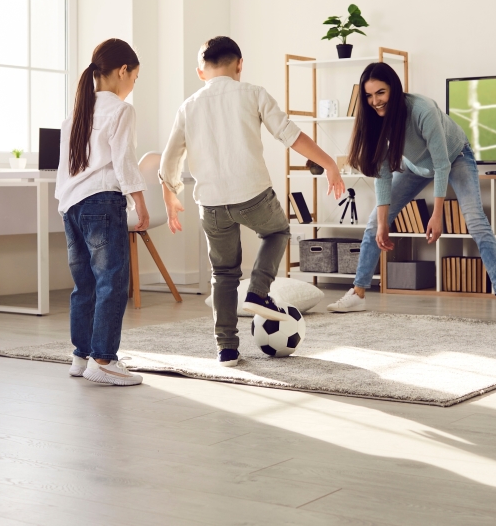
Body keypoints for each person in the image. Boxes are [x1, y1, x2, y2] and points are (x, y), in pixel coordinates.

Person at [159, 36, 345, 367]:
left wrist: (171, 194)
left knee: (223, 273)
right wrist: (329, 163)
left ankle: (227, 348)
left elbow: (169, 160)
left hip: (211, 204)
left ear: (201, 72)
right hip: (252, 195)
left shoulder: (189, 106)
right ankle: (258, 290)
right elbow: (291, 135)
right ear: (239, 65)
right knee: (277, 232)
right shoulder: (253, 93)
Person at [326, 62, 496, 322]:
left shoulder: (421, 109)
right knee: (374, 223)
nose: (375, 101)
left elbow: (441, 164)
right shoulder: (375, 120)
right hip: (415, 166)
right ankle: (358, 293)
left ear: (393, 88)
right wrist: (384, 222)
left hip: (455, 157)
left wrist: (437, 215)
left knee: (475, 222)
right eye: (369, 96)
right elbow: (382, 174)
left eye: (380, 93)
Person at [55, 38, 147, 387]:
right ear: (122, 71)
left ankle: (81, 356)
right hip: (102, 203)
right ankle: (105, 360)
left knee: (85, 285)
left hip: (71, 206)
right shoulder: (121, 111)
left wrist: (65, 207)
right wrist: (140, 202)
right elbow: (124, 163)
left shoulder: (75, 113)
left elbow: (65, 170)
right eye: (134, 78)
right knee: (113, 282)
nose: (132, 86)